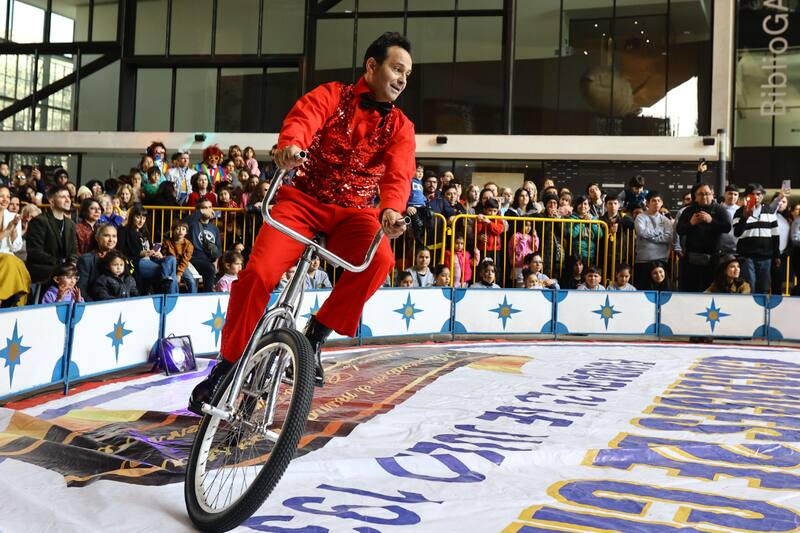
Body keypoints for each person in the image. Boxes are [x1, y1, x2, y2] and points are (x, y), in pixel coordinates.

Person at [190, 32, 415, 413]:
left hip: (355, 213)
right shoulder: (332, 94)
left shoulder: (401, 127)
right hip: (303, 201)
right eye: (396, 68)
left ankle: (315, 333)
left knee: (381, 261)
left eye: (407, 74)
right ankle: (226, 367)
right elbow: (303, 119)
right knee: (258, 275)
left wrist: (392, 210)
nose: (402, 79)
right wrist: (292, 147)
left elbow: (399, 173)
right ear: (372, 66)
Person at [676, 182, 731, 292]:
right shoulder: (688, 211)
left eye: (707, 193)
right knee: (690, 290)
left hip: (713, 258)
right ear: (695, 196)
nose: (704, 196)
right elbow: (680, 230)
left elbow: (727, 227)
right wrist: (691, 223)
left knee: (710, 291)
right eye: (700, 194)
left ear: (712, 194)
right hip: (691, 259)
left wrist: (711, 221)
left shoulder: (720, 209)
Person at [117, 205, 178, 294]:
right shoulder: (124, 231)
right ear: (132, 217)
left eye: (144, 218)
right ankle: (172, 296)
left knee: (172, 259)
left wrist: (157, 253)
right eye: (138, 217)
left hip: (151, 259)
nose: (141, 221)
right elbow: (122, 250)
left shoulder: (144, 232)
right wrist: (143, 253)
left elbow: (150, 248)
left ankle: (165, 281)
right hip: (138, 262)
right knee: (168, 271)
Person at [25, 185, 78, 284]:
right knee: (63, 275)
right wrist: (60, 264)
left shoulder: (70, 224)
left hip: (63, 268)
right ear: (52, 201)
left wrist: (72, 263)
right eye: (62, 197)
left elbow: (73, 251)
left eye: (68, 197)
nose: (67, 200)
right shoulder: (39, 221)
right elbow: (35, 252)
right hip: (42, 267)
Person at [732, 183, 779, 294]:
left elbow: (775, 235)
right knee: (749, 287)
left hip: (766, 257)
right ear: (746, 196)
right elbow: (737, 233)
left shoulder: (769, 211)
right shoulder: (739, 212)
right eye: (752, 195)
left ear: (763, 195)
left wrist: (776, 256)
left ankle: (761, 311)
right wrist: (744, 217)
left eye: (758, 194)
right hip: (747, 257)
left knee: (764, 288)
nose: (756, 197)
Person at [634, 190, 673, 284]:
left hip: (661, 261)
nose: (657, 203)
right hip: (643, 260)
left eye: (659, 201)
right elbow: (642, 232)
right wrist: (660, 232)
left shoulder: (666, 220)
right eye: (654, 200)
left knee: (662, 291)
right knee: (643, 291)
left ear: (662, 203)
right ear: (647, 203)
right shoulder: (640, 217)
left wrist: (651, 237)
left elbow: (668, 237)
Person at [187, 198, 222, 292]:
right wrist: (201, 212)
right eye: (205, 208)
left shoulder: (214, 228)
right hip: (194, 258)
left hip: (209, 261)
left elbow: (218, 248)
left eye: (210, 207)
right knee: (209, 268)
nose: (209, 210)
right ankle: (208, 294)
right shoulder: (193, 224)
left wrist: (215, 263)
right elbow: (184, 222)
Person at [77, 223, 118, 301]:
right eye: (106, 235)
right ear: (97, 238)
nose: (111, 240)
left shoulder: (119, 257)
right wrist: (95, 305)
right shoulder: (86, 260)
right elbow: (81, 290)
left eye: (114, 236)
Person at [163, 219, 197, 293]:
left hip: (182, 265)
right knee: (171, 281)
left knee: (191, 281)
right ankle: (173, 297)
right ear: (173, 230)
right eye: (177, 229)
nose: (180, 231)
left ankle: (194, 299)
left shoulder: (188, 245)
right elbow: (164, 255)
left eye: (183, 229)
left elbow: (185, 261)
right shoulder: (167, 242)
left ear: (186, 232)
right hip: (170, 266)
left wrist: (179, 274)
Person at [509, 220, 538, 287]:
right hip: (517, 266)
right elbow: (518, 251)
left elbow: (535, 249)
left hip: (528, 267)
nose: (528, 228)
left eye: (530, 226)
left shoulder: (530, 237)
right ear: (521, 226)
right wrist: (523, 240)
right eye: (526, 225)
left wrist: (535, 238)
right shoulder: (515, 236)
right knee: (516, 286)